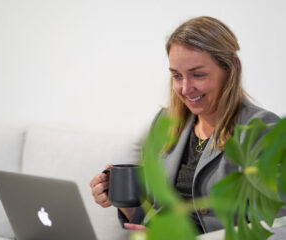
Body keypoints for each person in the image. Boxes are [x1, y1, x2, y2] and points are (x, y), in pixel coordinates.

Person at [90, 16, 280, 234]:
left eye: (197, 75)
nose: (185, 88)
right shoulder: (166, 123)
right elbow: (153, 216)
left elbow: (276, 226)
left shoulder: (262, 129)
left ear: (230, 68)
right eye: (177, 76)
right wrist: (122, 199)